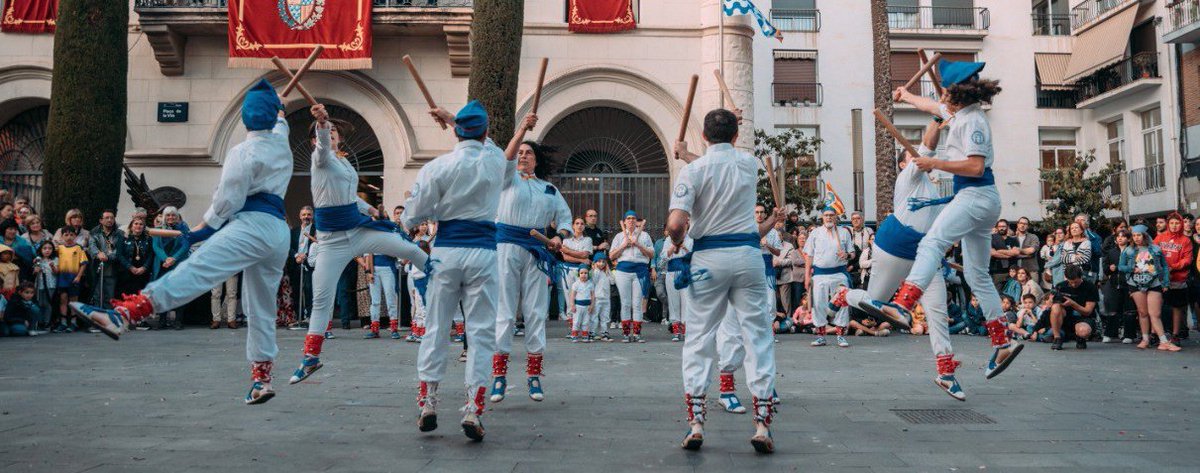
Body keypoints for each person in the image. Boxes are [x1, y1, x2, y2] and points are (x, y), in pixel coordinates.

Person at [71, 79, 294, 404]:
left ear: (245, 119)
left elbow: (227, 200)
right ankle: (262, 377)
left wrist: (203, 230)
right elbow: (282, 127)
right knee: (261, 305)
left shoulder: (243, 152)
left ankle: (126, 315)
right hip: (278, 233)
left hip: (252, 225)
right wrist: (282, 112)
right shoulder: (281, 145)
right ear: (273, 117)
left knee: (199, 270)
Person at [863, 60, 1023, 381]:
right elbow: (932, 106)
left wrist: (934, 161)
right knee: (977, 275)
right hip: (979, 199)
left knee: (931, 244)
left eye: (947, 91)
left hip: (975, 195)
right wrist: (906, 96)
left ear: (957, 93)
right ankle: (1002, 342)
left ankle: (904, 304)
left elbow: (976, 167)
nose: (943, 95)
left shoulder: (973, 121)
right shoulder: (962, 114)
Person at [286, 103, 429, 386]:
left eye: (335, 130)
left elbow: (351, 196)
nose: (332, 133)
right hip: (331, 243)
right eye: (327, 131)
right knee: (322, 301)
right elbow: (323, 147)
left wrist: (371, 210)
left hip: (358, 230)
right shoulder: (320, 159)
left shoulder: (344, 162)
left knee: (410, 249)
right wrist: (322, 122)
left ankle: (442, 277)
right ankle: (311, 358)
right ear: (317, 139)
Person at [401, 100, 515, 441]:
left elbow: (415, 212)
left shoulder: (438, 167)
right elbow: (493, 148)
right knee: (480, 332)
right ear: (484, 131)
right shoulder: (495, 161)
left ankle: (428, 402)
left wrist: (412, 219)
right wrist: (456, 121)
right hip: (483, 253)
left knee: (436, 326)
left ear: (458, 132)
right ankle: (472, 408)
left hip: (447, 251)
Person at [670, 108, 778, 453]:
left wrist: (675, 242)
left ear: (703, 136)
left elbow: (675, 224)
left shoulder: (693, 170)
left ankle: (696, 421)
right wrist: (731, 125)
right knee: (757, 336)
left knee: (699, 337)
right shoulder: (749, 165)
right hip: (747, 257)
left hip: (708, 259)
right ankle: (762, 424)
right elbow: (725, 157)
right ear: (735, 135)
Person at [847, 118, 961, 398]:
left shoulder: (933, 190)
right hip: (894, 247)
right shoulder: (908, 177)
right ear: (903, 164)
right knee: (873, 303)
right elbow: (928, 145)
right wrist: (936, 118)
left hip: (925, 253)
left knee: (937, 312)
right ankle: (843, 295)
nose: (918, 159)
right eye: (912, 157)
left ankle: (946, 372)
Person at [491, 117, 575, 406]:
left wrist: (559, 238)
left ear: (537, 161)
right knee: (504, 311)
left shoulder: (549, 190)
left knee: (536, 312)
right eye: (521, 152)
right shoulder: (506, 178)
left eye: (529, 152)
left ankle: (533, 375)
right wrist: (522, 130)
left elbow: (564, 220)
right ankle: (499, 376)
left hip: (537, 253)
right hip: (505, 248)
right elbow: (507, 156)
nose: (523, 155)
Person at [1122, 225, 1180, 351]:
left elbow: (1164, 266)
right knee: (1143, 313)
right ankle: (1145, 339)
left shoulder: (1156, 249)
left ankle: (1164, 341)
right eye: (1134, 235)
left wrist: (1165, 282)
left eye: (1139, 235)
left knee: (1155, 313)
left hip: (1154, 283)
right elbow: (1121, 267)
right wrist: (1132, 269)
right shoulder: (1129, 250)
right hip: (1136, 283)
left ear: (1145, 235)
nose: (1136, 238)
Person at [803, 208, 855, 348]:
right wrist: (807, 276)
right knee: (818, 304)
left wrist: (847, 255)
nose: (829, 218)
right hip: (819, 275)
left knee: (842, 303)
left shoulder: (844, 232)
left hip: (839, 274)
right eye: (826, 215)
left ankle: (841, 335)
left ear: (836, 217)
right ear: (822, 218)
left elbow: (852, 253)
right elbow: (809, 255)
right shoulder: (815, 233)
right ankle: (820, 336)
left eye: (831, 215)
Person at [609, 210, 654, 343]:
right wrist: (624, 245)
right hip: (623, 271)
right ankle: (626, 334)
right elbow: (611, 256)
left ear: (636, 221)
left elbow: (651, 255)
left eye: (633, 218)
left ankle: (638, 333)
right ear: (624, 221)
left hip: (640, 271)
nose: (631, 220)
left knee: (637, 303)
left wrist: (638, 244)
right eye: (628, 218)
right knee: (626, 302)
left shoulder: (645, 236)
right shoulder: (618, 237)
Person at [1153, 212, 1192, 341]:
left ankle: (1175, 335)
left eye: (1177, 223)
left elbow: (1187, 259)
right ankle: (1155, 333)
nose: (1174, 226)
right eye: (1171, 223)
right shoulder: (1160, 238)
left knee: (1176, 307)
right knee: (1157, 306)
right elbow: (1152, 254)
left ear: (1181, 224)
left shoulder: (1185, 240)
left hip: (1178, 279)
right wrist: (1162, 270)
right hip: (1160, 279)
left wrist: (1173, 267)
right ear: (1168, 224)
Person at [1045, 265, 1097, 350]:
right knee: (1055, 307)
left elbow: (1088, 311)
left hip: (1083, 317)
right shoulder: (1060, 286)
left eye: (1076, 282)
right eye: (1071, 282)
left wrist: (1073, 303)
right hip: (1065, 317)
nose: (1073, 284)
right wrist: (1051, 300)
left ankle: (1080, 337)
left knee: (1083, 331)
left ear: (1081, 277)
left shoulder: (1090, 287)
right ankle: (1057, 338)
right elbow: (1050, 307)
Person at [1101, 229, 1137, 344]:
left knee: (1129, 310)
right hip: (1113, 283)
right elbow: (1105, 267)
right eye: (1118, 236)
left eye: (1123, 236)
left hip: (1129, 284)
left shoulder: (1133, 251)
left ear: (1128, 238)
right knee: (1112, 310)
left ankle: (1129, 335)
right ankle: (1110, 334)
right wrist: (1109, 269)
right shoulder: (1111, 252)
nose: (1120, 238)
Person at [87, 209, 125, 310]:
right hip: (97, 269)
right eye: (107, 218)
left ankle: (108, 320)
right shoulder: (94, 232)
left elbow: (120, 250)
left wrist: (108, 257)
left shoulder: (120, 233)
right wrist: (98, 253)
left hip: (112, 269)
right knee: (96, 295)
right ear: (101, 220)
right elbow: (92, 245)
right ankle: (96, 320)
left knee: (110, 296)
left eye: (112, 218)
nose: (110, 220)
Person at [662, 228, 692, 342]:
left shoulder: (691, 238)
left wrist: (684, 246)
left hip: (685, 270)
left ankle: (685, 330)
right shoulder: (669, 239)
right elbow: (664, 256)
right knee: (673, 301)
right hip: (672, 271)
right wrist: (673, 246)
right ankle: (676, 330)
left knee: (686, 301)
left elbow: (695, 254)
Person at [288, 206, 316, 325]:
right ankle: (298, 317)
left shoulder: (316, 230)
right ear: (300, 216)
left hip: (309, 264)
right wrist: (296, 256)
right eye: (304, 215)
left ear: (312, 216)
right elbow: (288, 247)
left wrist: (305, 255)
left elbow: (319, 245)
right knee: (296, 290)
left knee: (309, 289)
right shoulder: (293, 231)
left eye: (309, 214)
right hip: (296, 264)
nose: (306, 217)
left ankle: (309, 317)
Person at [115, 218, 153, 303]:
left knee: (140, 300)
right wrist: (130, 267)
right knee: (125, 298)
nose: (138, 226)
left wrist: (144, 267)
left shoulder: (149, 239)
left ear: (144, 227)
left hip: (142, 274)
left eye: (141, 224)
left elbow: (151, 255)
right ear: (131, 226)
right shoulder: (123, 238)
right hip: (126, 273)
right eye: (136, 224)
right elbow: (119, 255)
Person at [1047, 222, 1091, 286]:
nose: (1074, 229)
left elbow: (1085, 258)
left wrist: (1069, 258)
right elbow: (1063, 259)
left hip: (1082, 274)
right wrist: (1075, 257)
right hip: (1068, 275)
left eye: (1076, 227)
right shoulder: (1067, 243)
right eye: (1072, 228)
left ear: (1081, 230)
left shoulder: (1087, 242)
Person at [989, 219, 1018, 290]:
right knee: (997, 293)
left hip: (1011, 272)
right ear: (997, 227)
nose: (1001, 228)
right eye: (999, 226)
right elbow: (993, 253)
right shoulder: (991, 239)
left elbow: (1016, 252)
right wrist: (1009, 254)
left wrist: (999, 251)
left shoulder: (1013, 240)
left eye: (1003, 226)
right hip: (997, 272)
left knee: (1011, 292)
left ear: (1007, 227)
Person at [567, 268, 595, 342]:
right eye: (581, 273)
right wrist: (572, 305)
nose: (584, 275)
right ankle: (574, 335)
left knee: (586, 321)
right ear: (578, 274)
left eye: (585, 273)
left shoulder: (590, 284)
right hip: (578, 306)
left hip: (587, 306)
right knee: (576, 321)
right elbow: (572, 295)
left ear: (588, 274)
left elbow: (592, 296)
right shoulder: (576, 284)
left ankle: (585, 335)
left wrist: (592, 305)